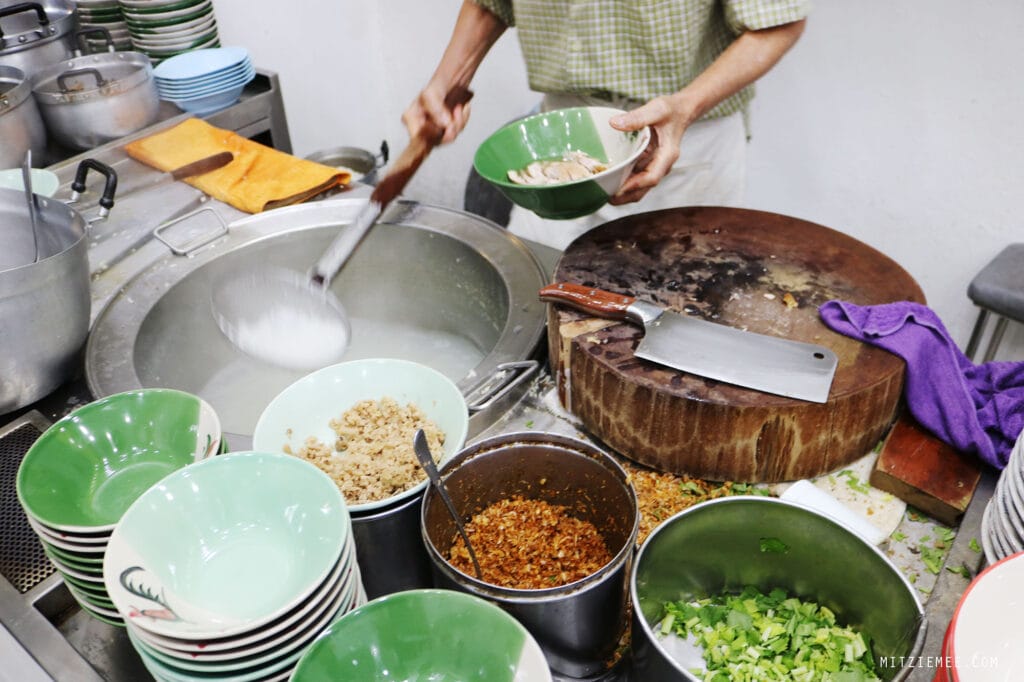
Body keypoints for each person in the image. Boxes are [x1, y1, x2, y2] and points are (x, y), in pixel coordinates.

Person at [403, 0, 809, 250]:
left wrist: (685, 107)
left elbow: (778, 21)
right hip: (557, 145)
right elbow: (491, 1)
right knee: (546, 307)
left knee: (677, 328)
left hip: (682, 137)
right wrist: (447, 82)